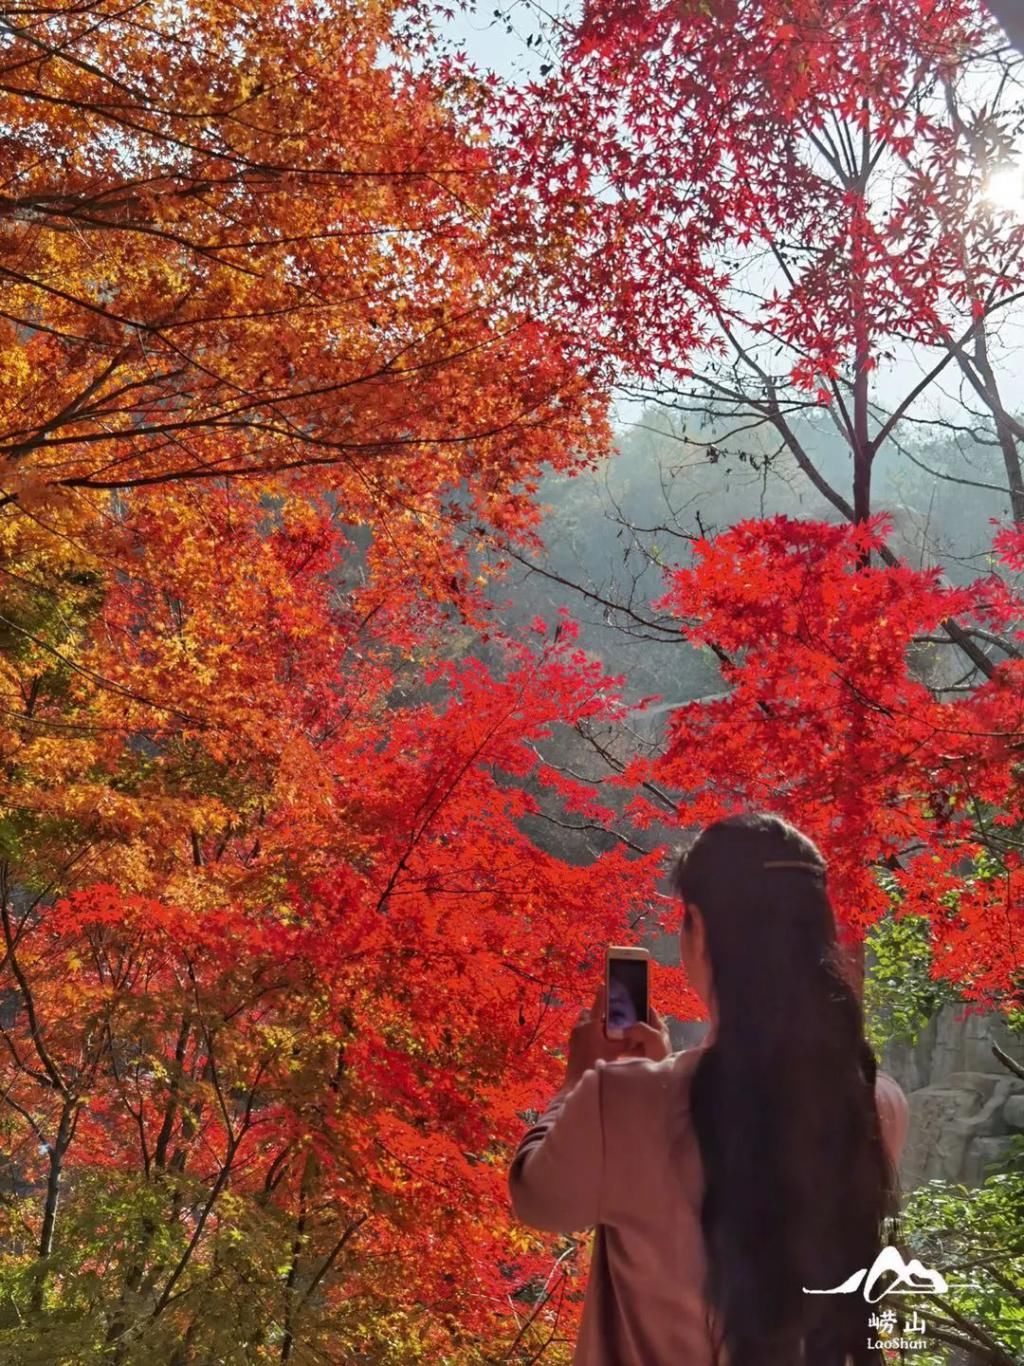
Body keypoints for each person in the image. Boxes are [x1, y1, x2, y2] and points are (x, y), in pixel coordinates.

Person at [507, 812, 911, 1366]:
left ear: (695, 926)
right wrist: (657, 1073)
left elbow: (538, 1198)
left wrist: (578, 1084)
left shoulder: (621, 1103)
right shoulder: (876, 1102)